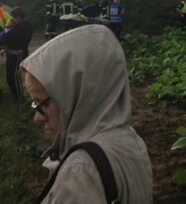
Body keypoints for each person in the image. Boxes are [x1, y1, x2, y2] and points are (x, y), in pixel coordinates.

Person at [21, 24, 153, 203]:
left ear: (73, 94)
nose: (37, 117)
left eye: (41, 103)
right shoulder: (132, 141)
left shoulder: (81, 170)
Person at [0, 7, 33, 103]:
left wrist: (8, 49)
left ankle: (19, 100)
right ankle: (18, 97)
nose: (11, 20)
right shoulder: (26, 26)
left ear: (18, 17)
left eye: (12, 18)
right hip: (17, 53)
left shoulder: (21, 28)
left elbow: (5, 39)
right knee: (12, 77)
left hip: (17, 55)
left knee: (13, 77)